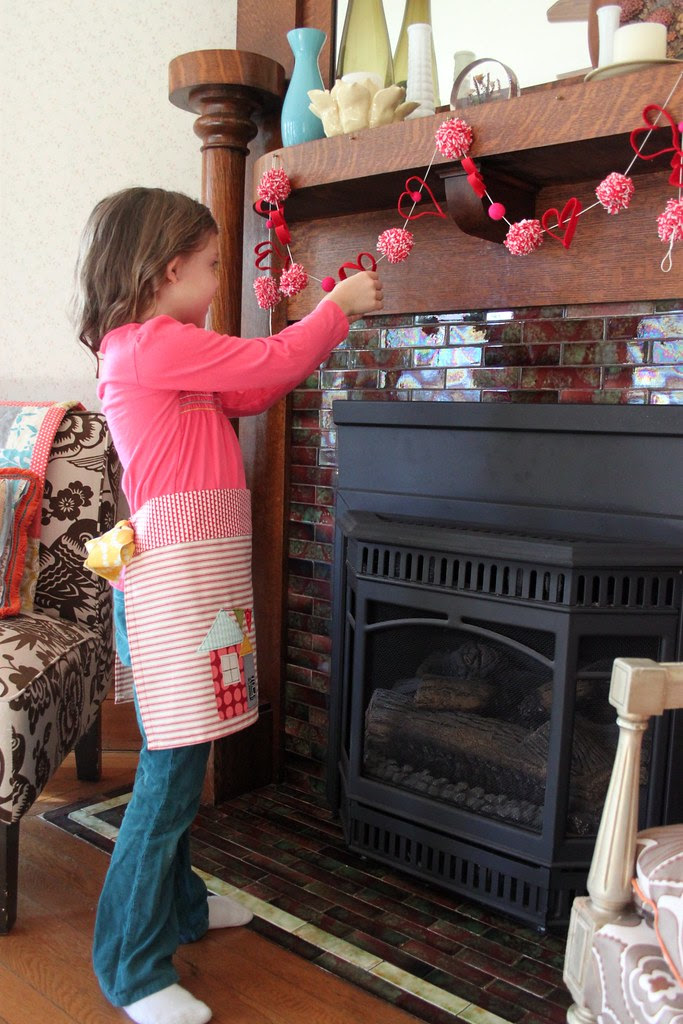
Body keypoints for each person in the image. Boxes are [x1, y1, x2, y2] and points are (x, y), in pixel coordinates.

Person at [74, 186, 383, 1024]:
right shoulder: (149, 346)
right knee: (172, 774)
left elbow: (246, 392)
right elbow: (264, 366)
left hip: (192, 580)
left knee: (182, 757)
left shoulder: (168, 353)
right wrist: (333, 310)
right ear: (167, 270)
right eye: (212, 266)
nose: (219, 281)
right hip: (174, 586)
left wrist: (307, 326)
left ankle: (179, 907)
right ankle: (130, 968)